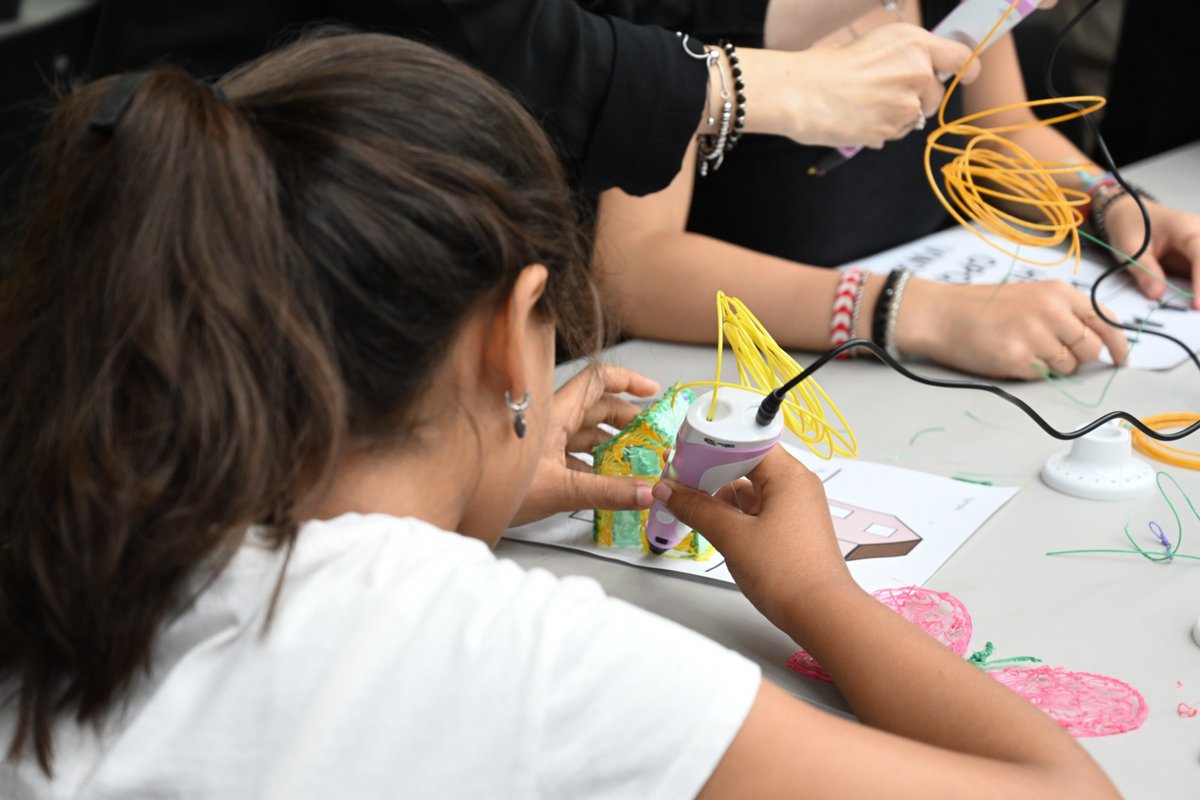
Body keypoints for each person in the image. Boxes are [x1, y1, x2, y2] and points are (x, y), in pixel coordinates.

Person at [0, 31, 1120, 798]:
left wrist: (472, 490)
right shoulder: (501, 651)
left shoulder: (84, 524)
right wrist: (815, 592)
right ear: (513, 331)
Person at [595, 0, 1200, 379]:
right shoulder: (676, 13)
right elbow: (634, 270)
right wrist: (916, 314)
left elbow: (999, 128)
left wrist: (1113, 202)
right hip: (758, 383)